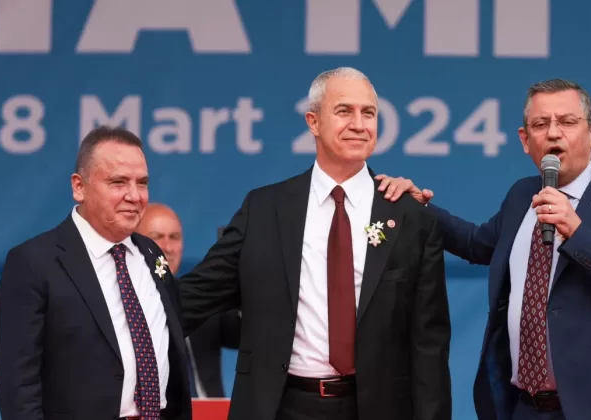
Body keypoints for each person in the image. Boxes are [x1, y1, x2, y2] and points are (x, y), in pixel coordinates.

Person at [375, 79, 591, 420]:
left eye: (567, 122)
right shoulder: (522, 195)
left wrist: (576, 232)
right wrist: (420, 210)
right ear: (525, 140)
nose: (554, 133)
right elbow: (477, 244)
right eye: (540, 124)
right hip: (525, 407)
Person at [177, 67, 452, 420]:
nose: (359, 124)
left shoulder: (411, 218)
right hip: (282, 407)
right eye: (344, 111)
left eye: (368, 113)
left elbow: (430, 346)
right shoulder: (264, 210)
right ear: (313, 122)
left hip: (377, 408)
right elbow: (194, 297)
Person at [0, 126, 192, 420]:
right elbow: (19, 387)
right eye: (118, 182)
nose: (134, 196)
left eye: (142, 183)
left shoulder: (151, 253)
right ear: (79, 187)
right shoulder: (34, 262)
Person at [137, 202, 242, 398]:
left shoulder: (202, 297)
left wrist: (244, 280)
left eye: (174, 237)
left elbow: (239, 336)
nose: (167, 247)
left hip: (214, 411)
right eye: (156, 237)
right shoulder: (125, 304)